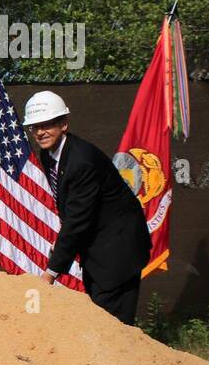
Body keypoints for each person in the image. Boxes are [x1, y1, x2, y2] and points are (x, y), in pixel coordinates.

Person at [24, 91, 150, 323]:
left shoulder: (81, 161)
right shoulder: (49, 153)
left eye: (47, 125)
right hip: (96, 247)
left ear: (64, 124)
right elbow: (73, 208)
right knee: (100, 317)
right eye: (34, 127)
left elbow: (78, 221)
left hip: (118, 250)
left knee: (114, 325)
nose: (40, 132)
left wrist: (51, 272)